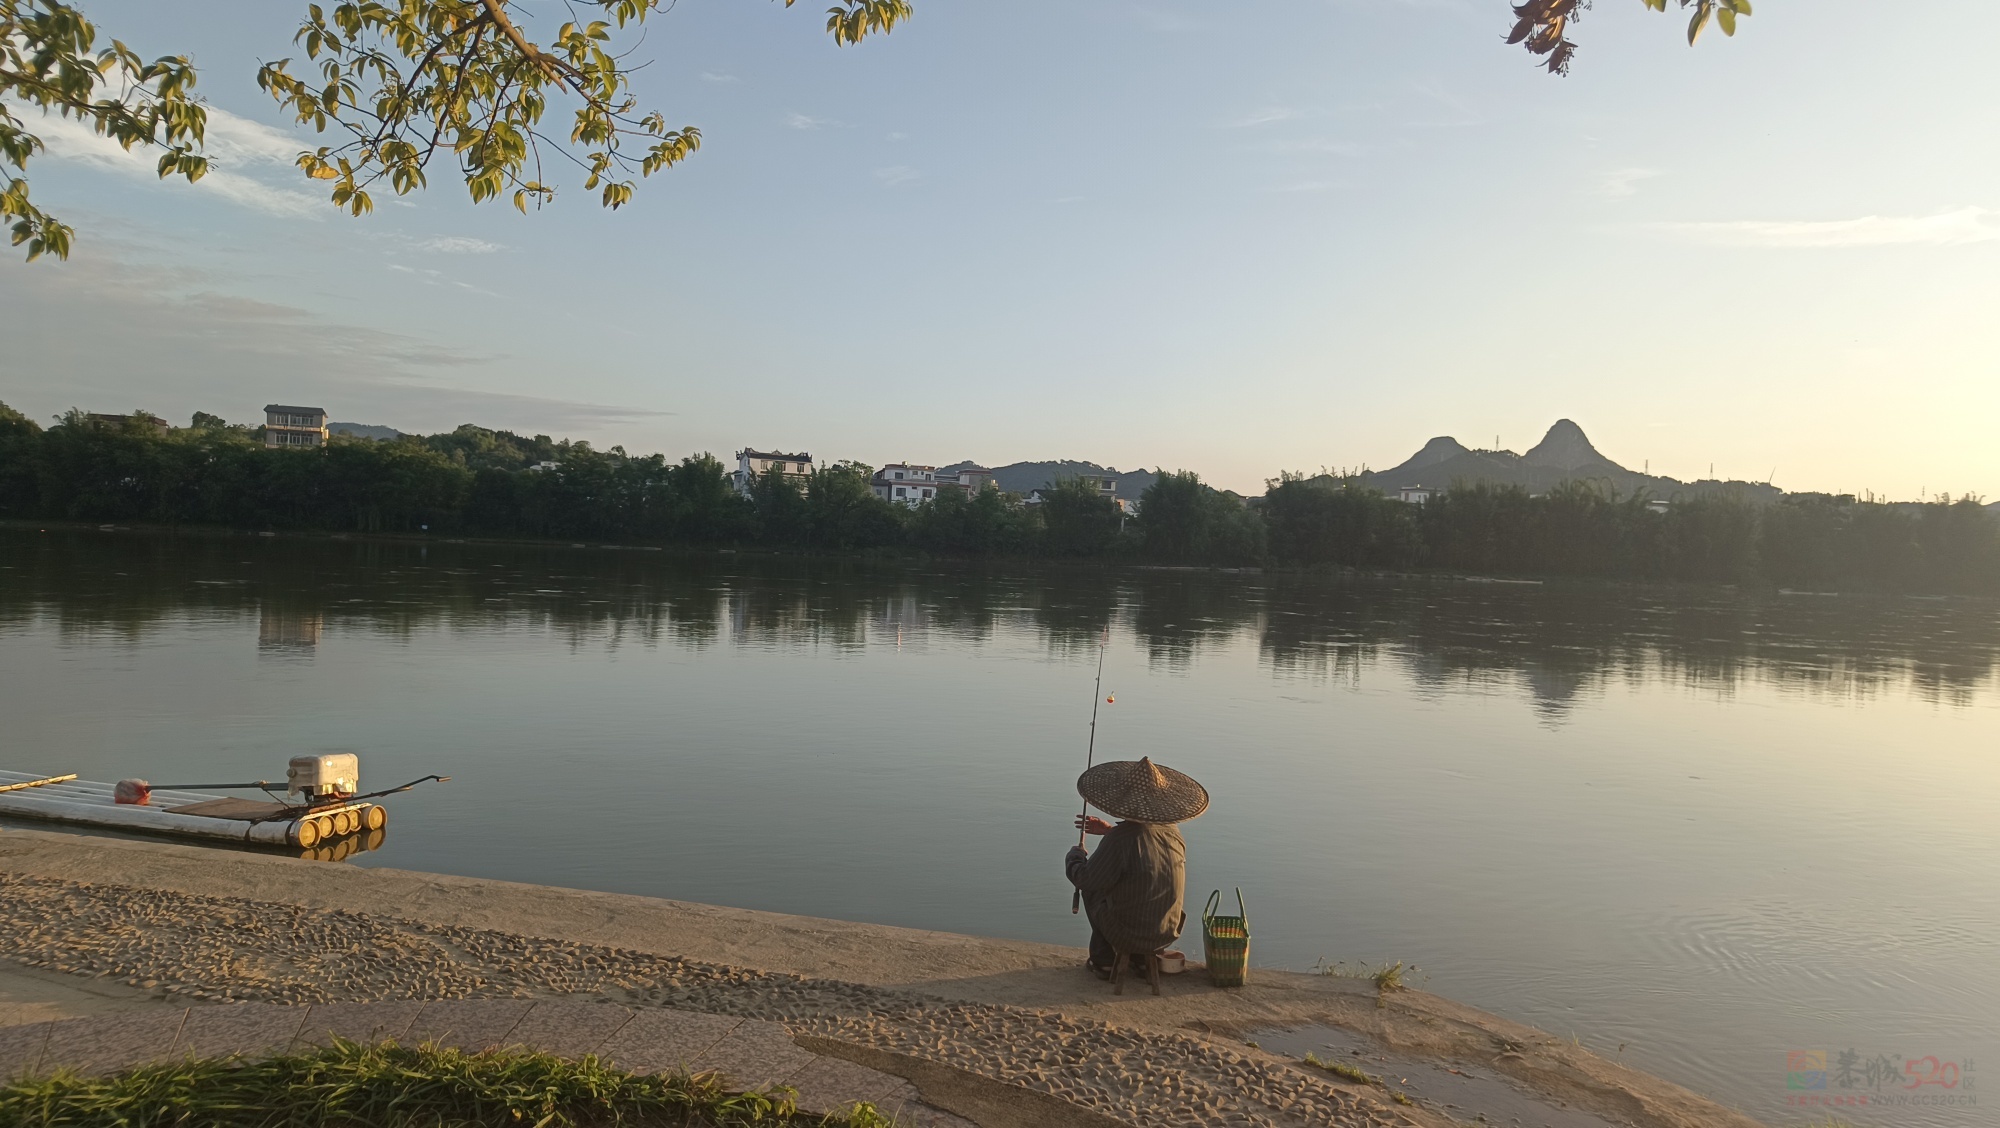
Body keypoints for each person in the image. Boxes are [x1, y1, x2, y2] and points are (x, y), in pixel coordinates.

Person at [1063, 756, 1209, 979]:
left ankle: (1104, 961)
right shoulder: (1173, 832)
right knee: (1137, 887)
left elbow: (1085, 879)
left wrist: (1075, 856)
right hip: (1168, 930)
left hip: (1129, 934)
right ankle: (1140, 960)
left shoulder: (1122, 839)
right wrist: (1109, 831)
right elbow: (1144, 850)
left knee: (1093, 890)